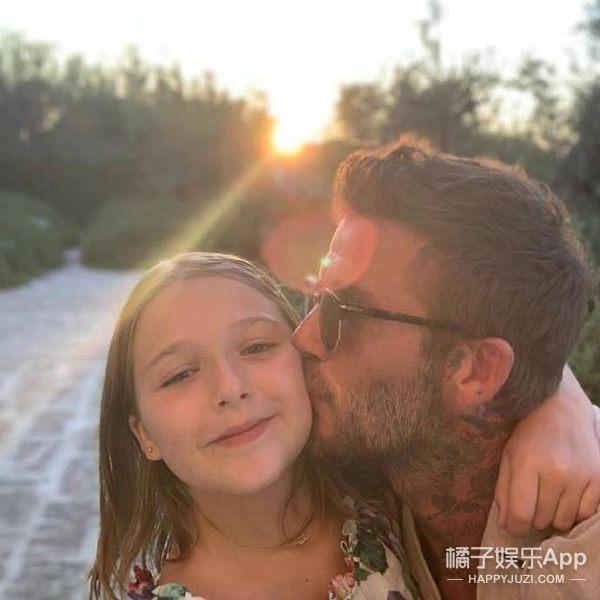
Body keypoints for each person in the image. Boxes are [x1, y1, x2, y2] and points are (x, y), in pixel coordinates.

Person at [88, 248, 598, 600]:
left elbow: (491, 360)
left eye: (258, 346)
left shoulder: (383, 483)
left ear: (307, 356)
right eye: (179, 374)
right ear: (143, 434)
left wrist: (558, 406)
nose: (230, 388)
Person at [292, 141, 600, 599]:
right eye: (316, 299)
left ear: (476, 372)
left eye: (345, 312)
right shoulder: (362, 469)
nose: (303, 337)